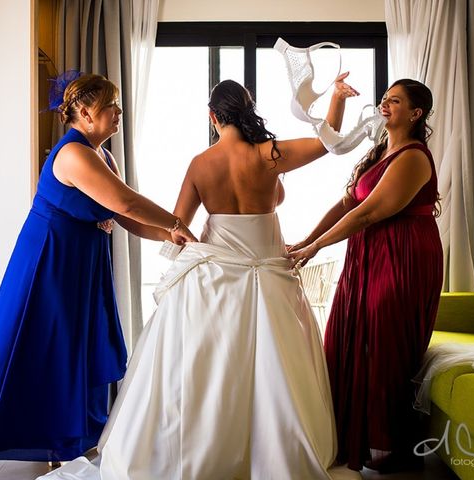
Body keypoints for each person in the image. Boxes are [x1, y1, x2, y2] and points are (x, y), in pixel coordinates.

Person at [40, 76, 362, 480]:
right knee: (275, 366)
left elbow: (177, 225)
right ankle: (274, 452)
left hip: (213, 274)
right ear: (247, 110)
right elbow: (329, 143)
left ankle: (199, 451)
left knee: (203, 365)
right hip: (271, 272)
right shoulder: (271, 155)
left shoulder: (200, 164)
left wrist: (179, 243)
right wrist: (336, 99)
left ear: (213, 117)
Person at [0, 73, 196, 462]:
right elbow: (125, 203)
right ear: (85, 113)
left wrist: (167, 236)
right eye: (111, 105)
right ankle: (42, 439)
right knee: (46, 345)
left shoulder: (102, 155)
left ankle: (71, 440)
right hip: (51, 260)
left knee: (79, 344)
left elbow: (122, 216)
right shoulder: (73, 154)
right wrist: (175, 222)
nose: (119, 112)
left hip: (84, 261)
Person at [288, 79, 442, 473]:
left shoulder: (413, 156)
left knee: (384, 345)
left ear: (415, 113)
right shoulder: (379, 152)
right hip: (367, 255)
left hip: (403, 256)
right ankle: (349, 440)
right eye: (384, 98)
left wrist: (318, 247)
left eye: (395, 100)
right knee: (344, 338)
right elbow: (348, 202)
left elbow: (371, 212)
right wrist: (307, 237)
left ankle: (394, 450)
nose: (384, 104)